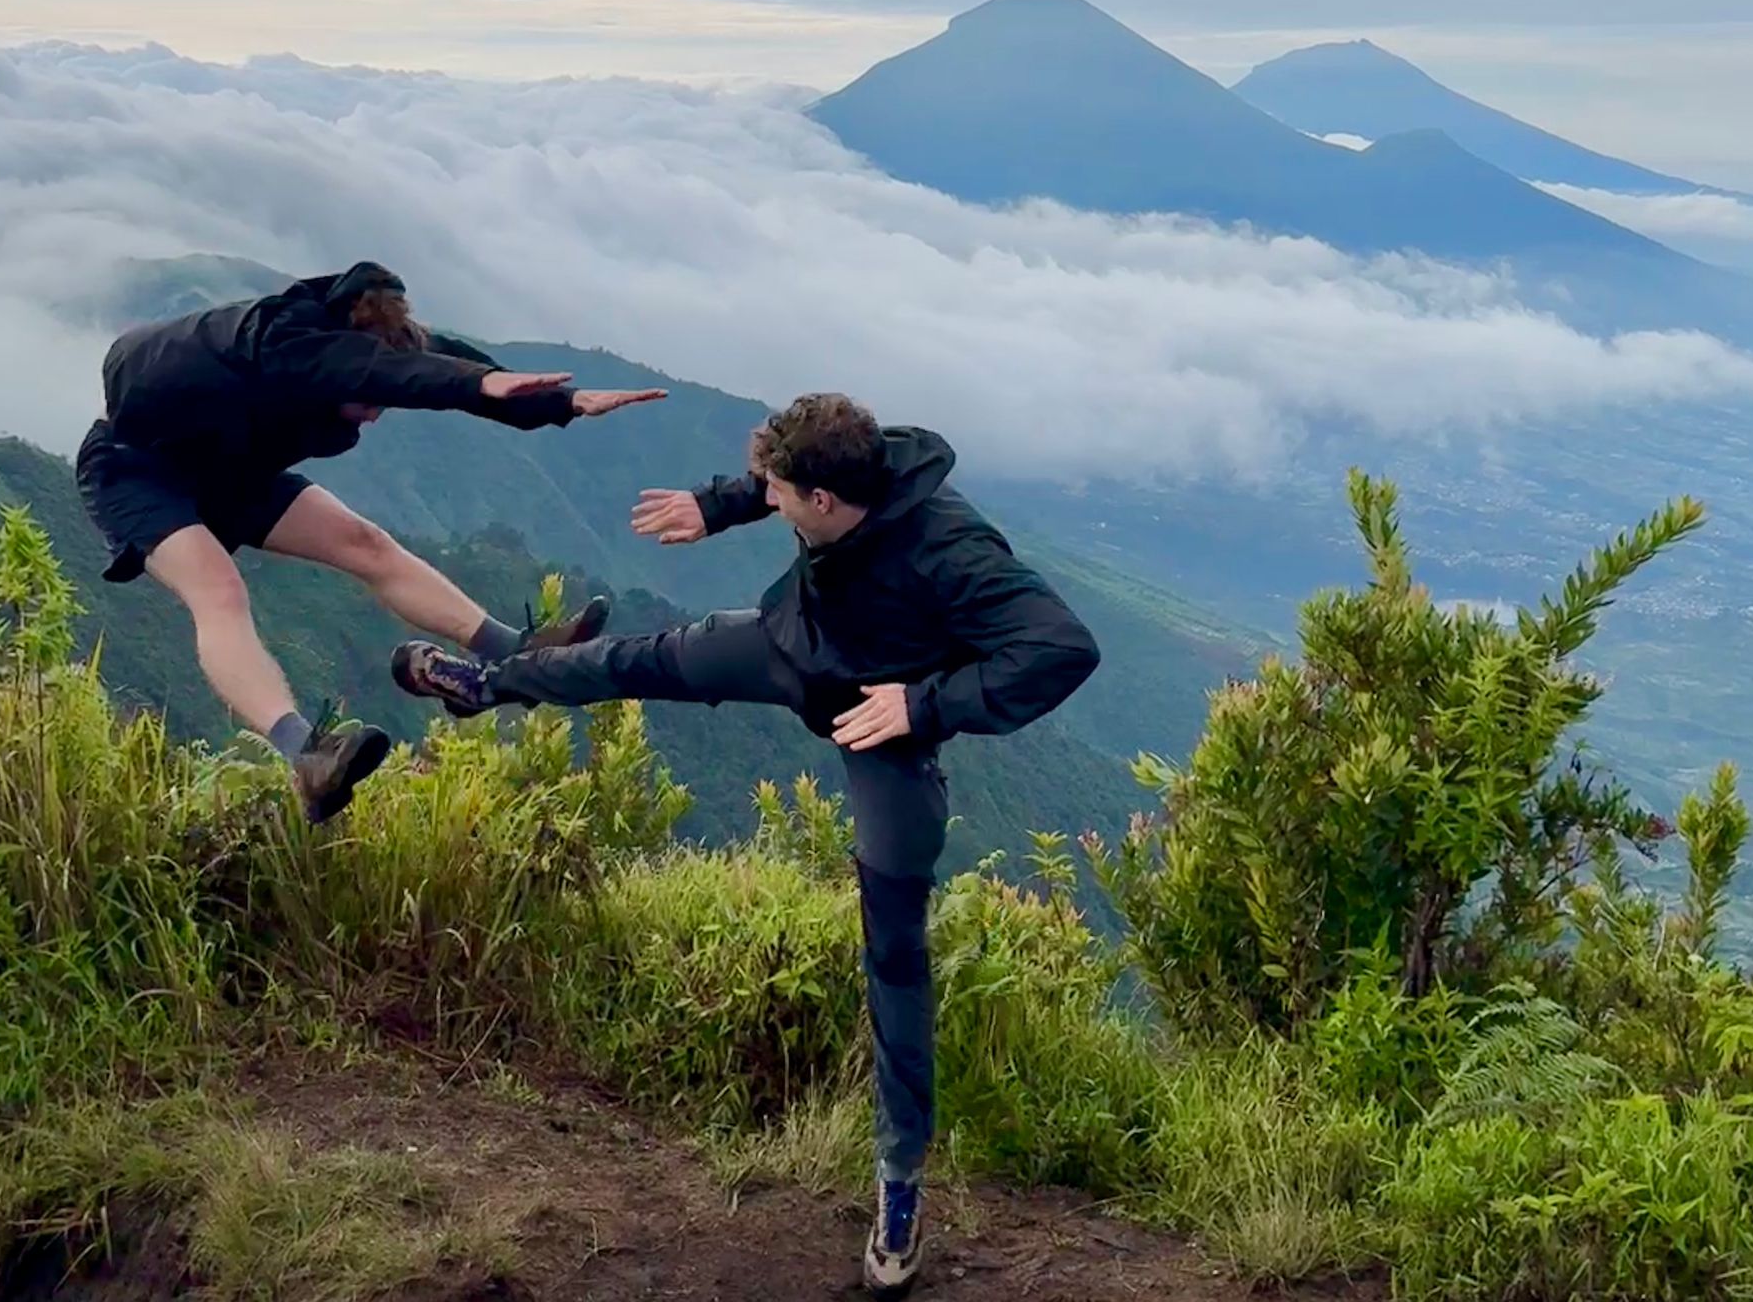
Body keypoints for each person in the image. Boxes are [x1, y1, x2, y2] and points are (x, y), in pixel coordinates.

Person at [392, 392, 1100, 1296]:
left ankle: (899, 1185)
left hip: (878, 727)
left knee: (894, 950)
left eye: (777, 494)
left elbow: (1061, 648)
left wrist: (921, 706)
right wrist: (715, 502)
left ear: (827, 504)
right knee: (634, 659)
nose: (768, 500)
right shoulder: (840, 465)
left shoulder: (952, 552)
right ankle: (484, 684)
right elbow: (773, 475)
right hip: (787, 647)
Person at [76, 260, 666, 822]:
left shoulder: (372, 345)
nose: (377, 416)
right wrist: (478, 382)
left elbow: (435, 366)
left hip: (232, 468)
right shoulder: (286, 344)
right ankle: (304, 752)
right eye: (370, 401)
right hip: (137, 470)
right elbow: (389, 374)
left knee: (366, 542)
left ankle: (514, 651)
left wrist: (560, 401)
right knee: (219, 590)